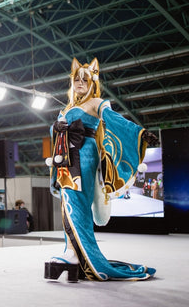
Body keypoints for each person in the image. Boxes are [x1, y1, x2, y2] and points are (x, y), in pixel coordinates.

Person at [45, 57, 158, 282]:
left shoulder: (97, 102)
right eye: (76, 79)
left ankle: (75, 255)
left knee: (77, 204)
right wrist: (55, 127)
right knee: (67, 205)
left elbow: (115, 120)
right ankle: (72, 253)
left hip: (84, 155)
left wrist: (139, 132)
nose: (79, 83)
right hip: (65, 157)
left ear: (92, 82)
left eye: (84, 80)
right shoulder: (68, 107)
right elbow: (56, 130)